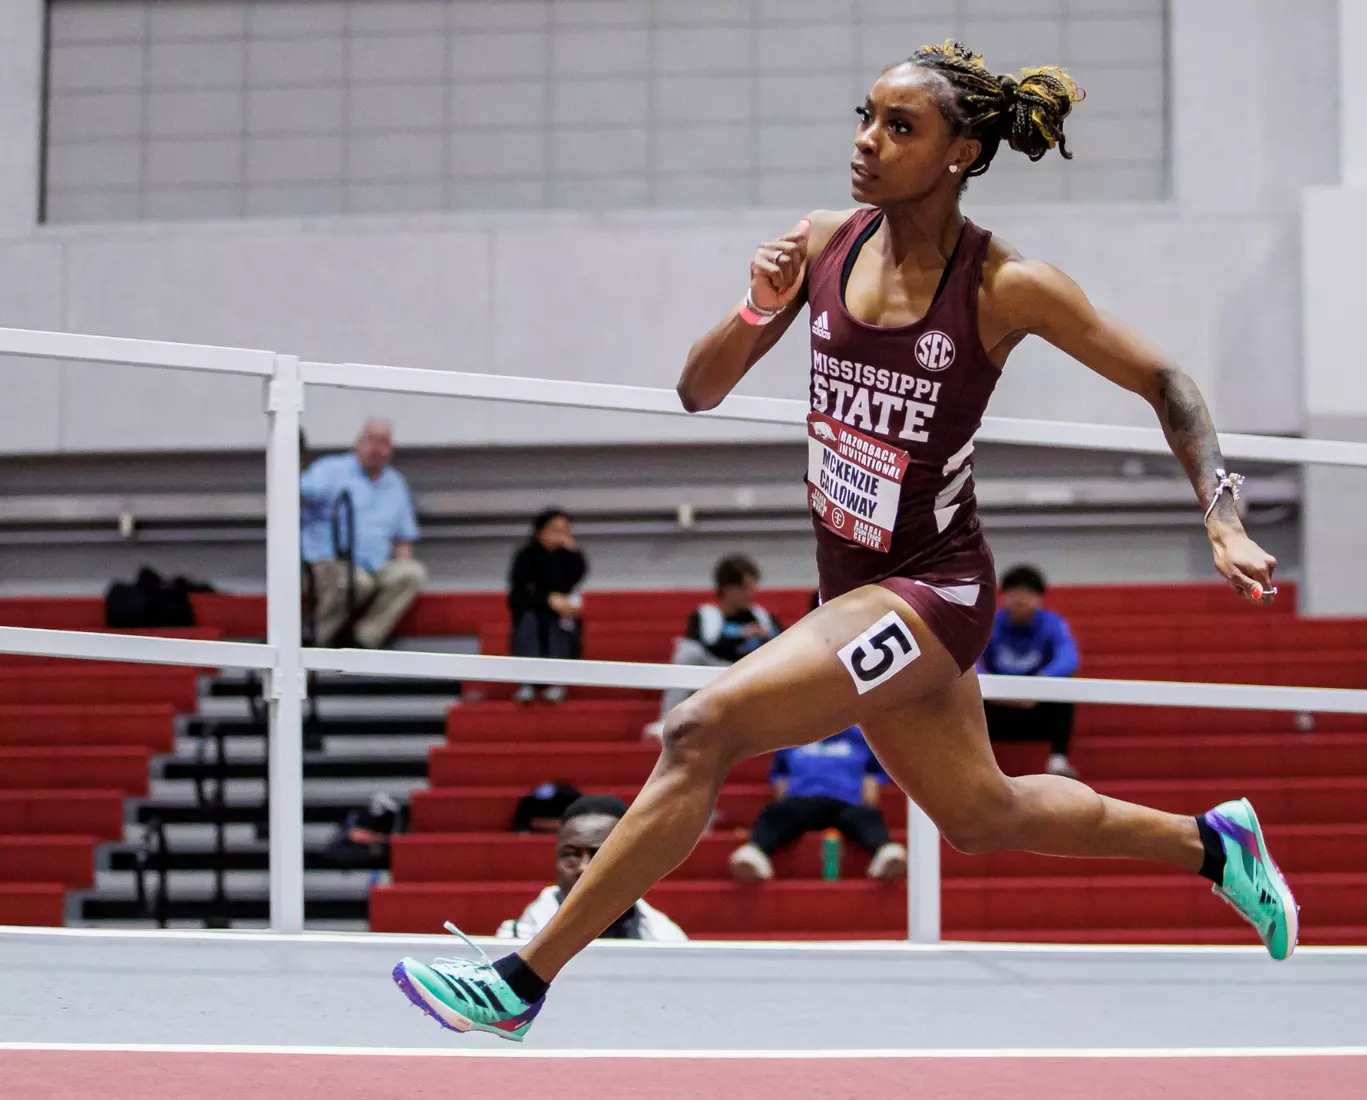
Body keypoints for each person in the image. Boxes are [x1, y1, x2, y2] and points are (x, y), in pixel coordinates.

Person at [395, 41, 1294, 1041]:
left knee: (702, 726)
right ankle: (1212, 846)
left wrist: (1220, 513)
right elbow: (698, 390)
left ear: (960, 153)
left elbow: (1166, 383)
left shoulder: (1006, 284)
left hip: (935, 592)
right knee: (981, 814)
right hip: (853, 587)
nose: (866, 141)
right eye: (864, 115)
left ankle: (523, 974)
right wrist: (756, 302)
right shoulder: (824, 241)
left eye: (899, 127)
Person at [300, 418, 427, 648]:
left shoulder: (395, 483)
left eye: (384, 442)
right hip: (327, 562)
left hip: (375, 566)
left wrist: (399, 571)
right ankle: (319, 638)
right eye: (371, 440)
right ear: (357, 443)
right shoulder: (331, 470)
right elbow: (296, 493)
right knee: (356, 581)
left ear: (391, 449)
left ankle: (364, 640)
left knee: (412, 573)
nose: (377, 448)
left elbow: (403, 539)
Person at [494, 795, 687, 942]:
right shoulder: (514, 941)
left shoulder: (668, 941)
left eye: (598, 855)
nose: (583, 868)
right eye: (570, 854)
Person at [728, 726, 907, 883]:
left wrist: (868, 806)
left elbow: (871, 780)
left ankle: (885, 853)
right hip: (801, 801)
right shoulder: (791, 738)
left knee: (867, 816)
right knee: (776, 813)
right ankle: (754, 852)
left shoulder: (861, 738)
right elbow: (780, 778)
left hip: (845, 802)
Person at [642, 555, 783, 738]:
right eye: (744, 586)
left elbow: (784, 646)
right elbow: (704, 646)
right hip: (713, 672)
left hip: (749, 674)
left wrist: (765, 638)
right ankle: (667, 720)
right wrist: (740, 636)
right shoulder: (704, 615)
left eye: (753, 585)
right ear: (726, 588)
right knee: (686, 650)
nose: (751, 592)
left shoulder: (763, 617)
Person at [978, 565, 1082, 779]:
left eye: (1028, 593)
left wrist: (1037, 686)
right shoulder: (987, 623)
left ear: (1039, 598)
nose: (1020, 599)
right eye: (1014, 592)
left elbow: (1068, 658)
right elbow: (971, 661)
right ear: (1003, 596)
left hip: (1035, 703)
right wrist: (997, 691)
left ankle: (1058, 760)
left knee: (1066, 686)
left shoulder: (1053, 624)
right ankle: (975, 762)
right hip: (995, 703)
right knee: (964, 691)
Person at [508, 508, 588, 704]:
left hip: (559, 617)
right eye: (554, 529)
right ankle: (527, 681)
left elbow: (573, 582)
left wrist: (573, 554)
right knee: (530, 623)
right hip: (531, 614)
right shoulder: (526, 556)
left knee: (559, 624)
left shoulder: (569, 558)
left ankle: (556, 681)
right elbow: (519, 595)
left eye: (565, 530)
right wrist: (547, 600)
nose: (560, 535)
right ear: (540, 532)